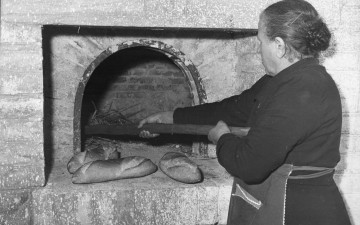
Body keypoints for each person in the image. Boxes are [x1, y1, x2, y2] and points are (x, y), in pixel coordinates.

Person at [138, 0, 352, 224]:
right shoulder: (285, 79)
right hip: (281, 199)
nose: (257, 48)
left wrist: (222, 138)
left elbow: (248, 164)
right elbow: (236, 109)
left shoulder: (304, 88)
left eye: (260, 40)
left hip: (300, 211)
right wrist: (173, 117)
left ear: (279, 45)